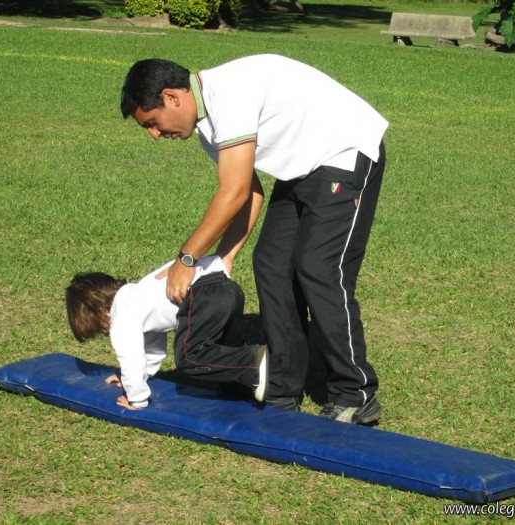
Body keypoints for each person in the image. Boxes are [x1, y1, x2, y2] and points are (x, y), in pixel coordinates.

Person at [120, 54, 388, 424]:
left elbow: (233, 192)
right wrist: (223, 260)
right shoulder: (207, 125)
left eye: (152, 122)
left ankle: (354, 393)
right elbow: (250, 191)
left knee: (319, 267)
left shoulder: (228, 96)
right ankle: (283, 385)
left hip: (346, 150)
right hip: (305, 167)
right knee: (271, 263)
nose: (154, 134)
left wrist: (187, 259)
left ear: (172, 97)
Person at [65, 255, 268, 409]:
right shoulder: (137, 296)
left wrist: (136, 398)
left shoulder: (121, 315)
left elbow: (132, 357)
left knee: (189, 356)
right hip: (227, 289)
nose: (103, 333)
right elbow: (152, 349)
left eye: (97, 327)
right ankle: (265, 381)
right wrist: (135, 376)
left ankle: (253, 361)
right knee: (225, 357)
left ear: (100, 309)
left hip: (205, 296)